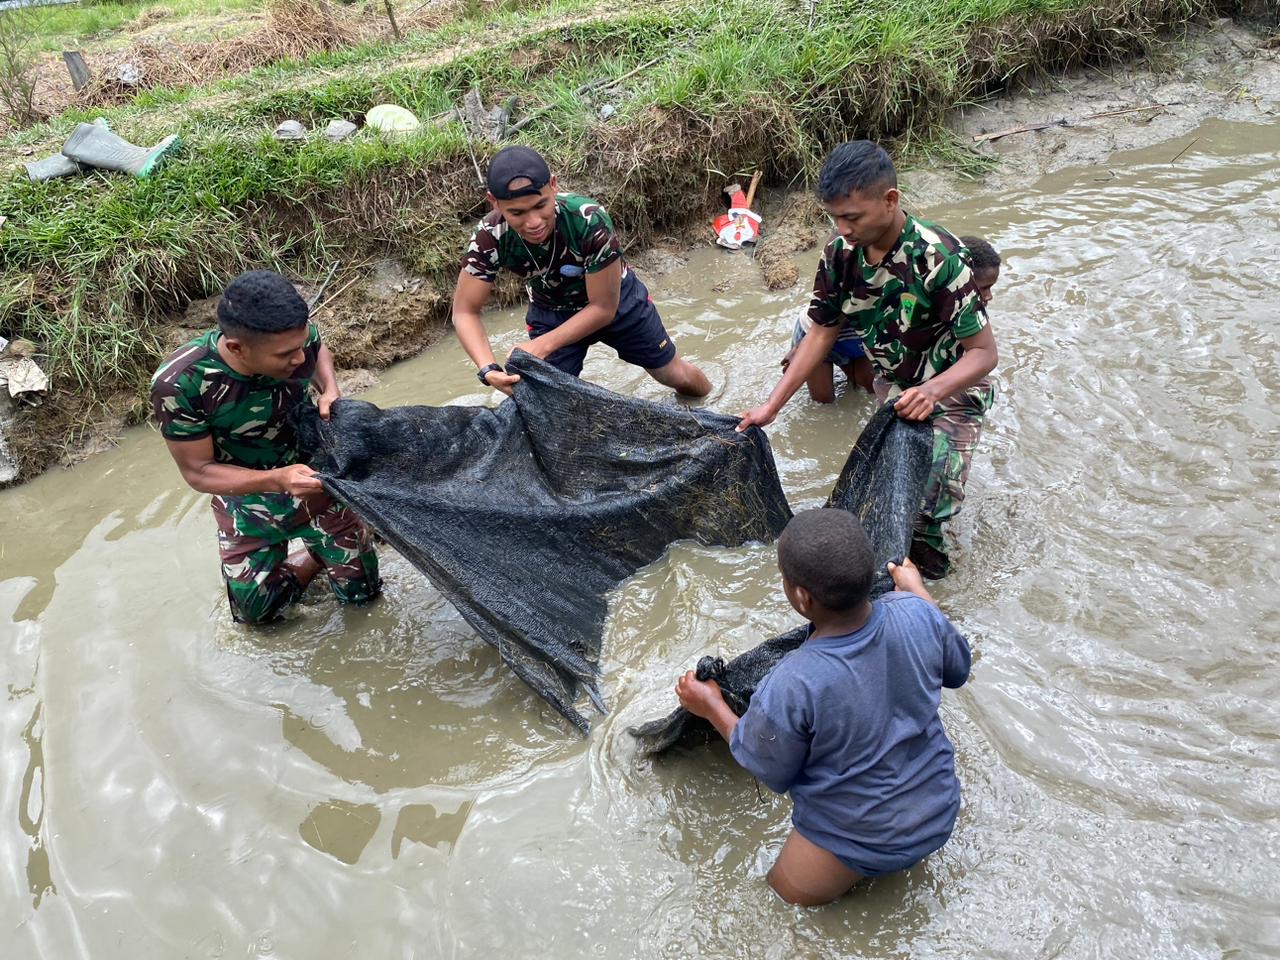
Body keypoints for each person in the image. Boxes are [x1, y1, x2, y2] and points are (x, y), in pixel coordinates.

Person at [674, 508, 970, 906]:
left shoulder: (792, 680)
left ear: (801, 596)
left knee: (779, 900)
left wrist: (711, 705)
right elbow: (958, 669)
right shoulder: (918, 612)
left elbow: (767, 766)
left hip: (857, 837)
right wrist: (917, 591)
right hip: (938, 808)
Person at [739, 141, 1000, 580]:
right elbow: (821, 331)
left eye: (853, 218)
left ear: (890, 200)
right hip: (895, 386)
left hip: (953, 389)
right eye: (835, 218)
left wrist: (931, 391)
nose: (843, 229)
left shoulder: (940, 258)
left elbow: (984, 353)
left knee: (926, 507)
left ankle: (935, 590)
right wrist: (771, 406)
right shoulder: (840, 255)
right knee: (888, 494)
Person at [150, 270, 381, 624]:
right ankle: (315, 558)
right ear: (237, 348)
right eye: (286, 354)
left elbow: (318, 349)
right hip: (247, 498)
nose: (299, 359)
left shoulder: (295, 339)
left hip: (318, 480)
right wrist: (278, 479)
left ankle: (338, 542)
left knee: (363, 594)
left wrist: (329, 388)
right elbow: (199, 472)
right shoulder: (180, 384)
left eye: (300, 346)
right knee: (257, 615)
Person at [451, 145, 711, 397]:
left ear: (553, 185)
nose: (533, 222)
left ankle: (715, 407)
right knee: (547, 398)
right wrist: (487, 368)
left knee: (674, 375)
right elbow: (464, 312)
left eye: (540, 205)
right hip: (551, 311)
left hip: (617, 302)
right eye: (517, 213)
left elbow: (603, 309)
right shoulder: (490, 236)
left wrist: (541, 345)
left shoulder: (588, 220)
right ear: (494, 202)